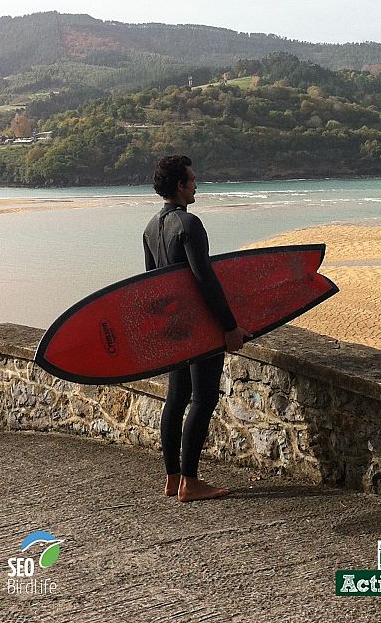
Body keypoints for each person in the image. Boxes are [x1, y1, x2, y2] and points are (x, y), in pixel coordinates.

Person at [143, 154, 251, 502]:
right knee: (203, 399)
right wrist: (230, 326)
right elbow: (206, 279)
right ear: (180, 185)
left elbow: (151, 286)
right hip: (199, 329)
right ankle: (191, 482)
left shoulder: (150, 228)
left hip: (173, 330)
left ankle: (172, 478)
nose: (196, 184)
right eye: (192, 179)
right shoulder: (189, 225)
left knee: (175, 399)